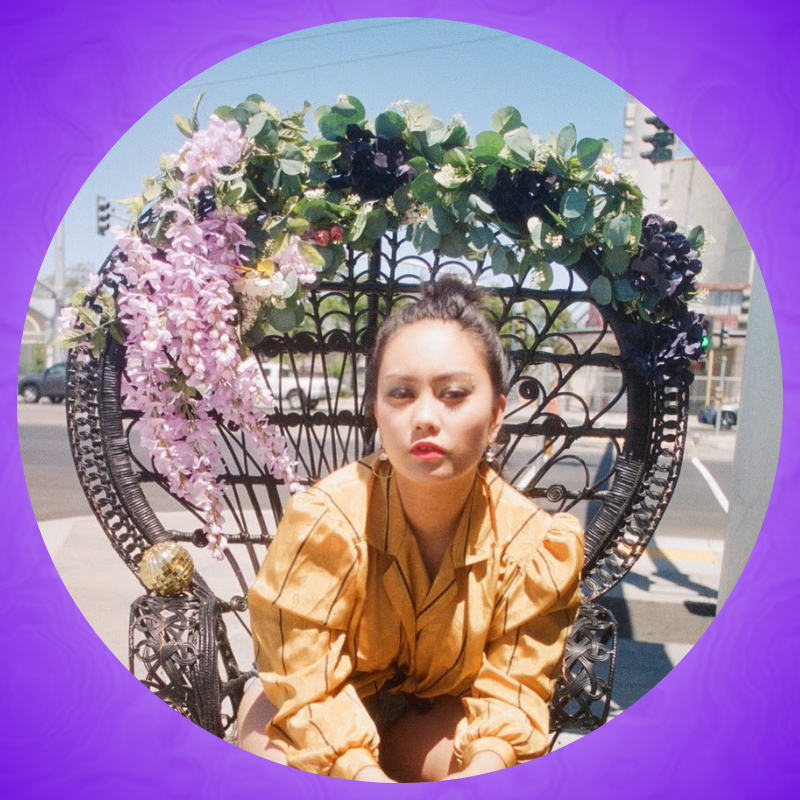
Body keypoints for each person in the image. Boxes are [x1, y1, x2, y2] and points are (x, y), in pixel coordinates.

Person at [238, 276, 584, 781]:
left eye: (453, 394)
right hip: (309, 714)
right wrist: (362, 775)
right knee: (276, 761)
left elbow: (514, 690)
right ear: (376, 410)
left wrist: (483, 769)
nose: (425, 417)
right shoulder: (326, 521)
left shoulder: (532, 546)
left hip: (437, 719)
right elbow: (302, 682)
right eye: (400, 394)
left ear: (495, 416)